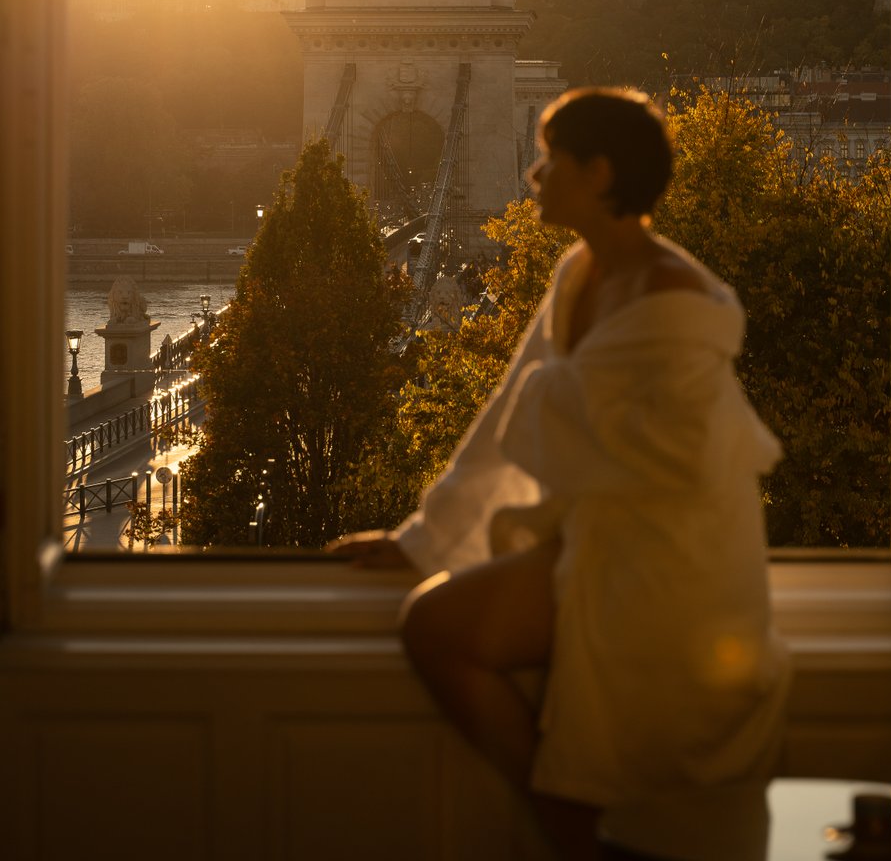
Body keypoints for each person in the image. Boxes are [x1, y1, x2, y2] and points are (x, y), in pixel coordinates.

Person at [328, 88, 790, 859]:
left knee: (628, 758)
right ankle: (571, 827)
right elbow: (521, 409)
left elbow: (628, 444)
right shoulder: (584, 270)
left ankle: (580, 833)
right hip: (611, 539)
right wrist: (424, 538)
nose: (533, 177)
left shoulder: (677, 299)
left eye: (550, 160)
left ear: (599, 173)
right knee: (434, 626)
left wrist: (555, 409)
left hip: (680, 561)